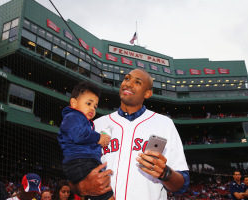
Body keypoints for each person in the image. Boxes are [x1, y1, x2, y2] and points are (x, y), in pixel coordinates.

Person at [72, 69, 190, 199]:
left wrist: (165, 173)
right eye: (127, 79)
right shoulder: (97, 125)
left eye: (137, 82)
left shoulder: (164, 124)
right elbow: (74, 178)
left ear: (147, 93)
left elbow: (182, 185)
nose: (128, 84)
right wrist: (84, 186)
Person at [57, 82, 114, 200]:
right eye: (88, 103)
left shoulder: (82, 121)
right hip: (80, 162)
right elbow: (78, 135)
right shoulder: (72, 116)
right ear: (74, 103)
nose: (92, 108)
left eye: (95, 106)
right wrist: (98, 138)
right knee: (107, 194)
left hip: (83, 162)